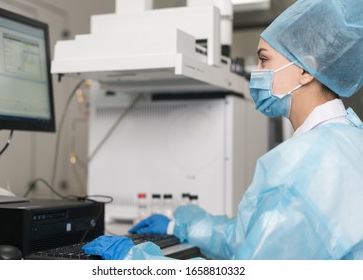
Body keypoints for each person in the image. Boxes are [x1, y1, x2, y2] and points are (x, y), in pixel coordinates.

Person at [82, 0, 363, 260]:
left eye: (264, 60)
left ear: (307, 69)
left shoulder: (302, 166)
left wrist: (136, 261)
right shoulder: (349, 140)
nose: (257, 71)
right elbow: (256, 241)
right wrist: (181, 225)